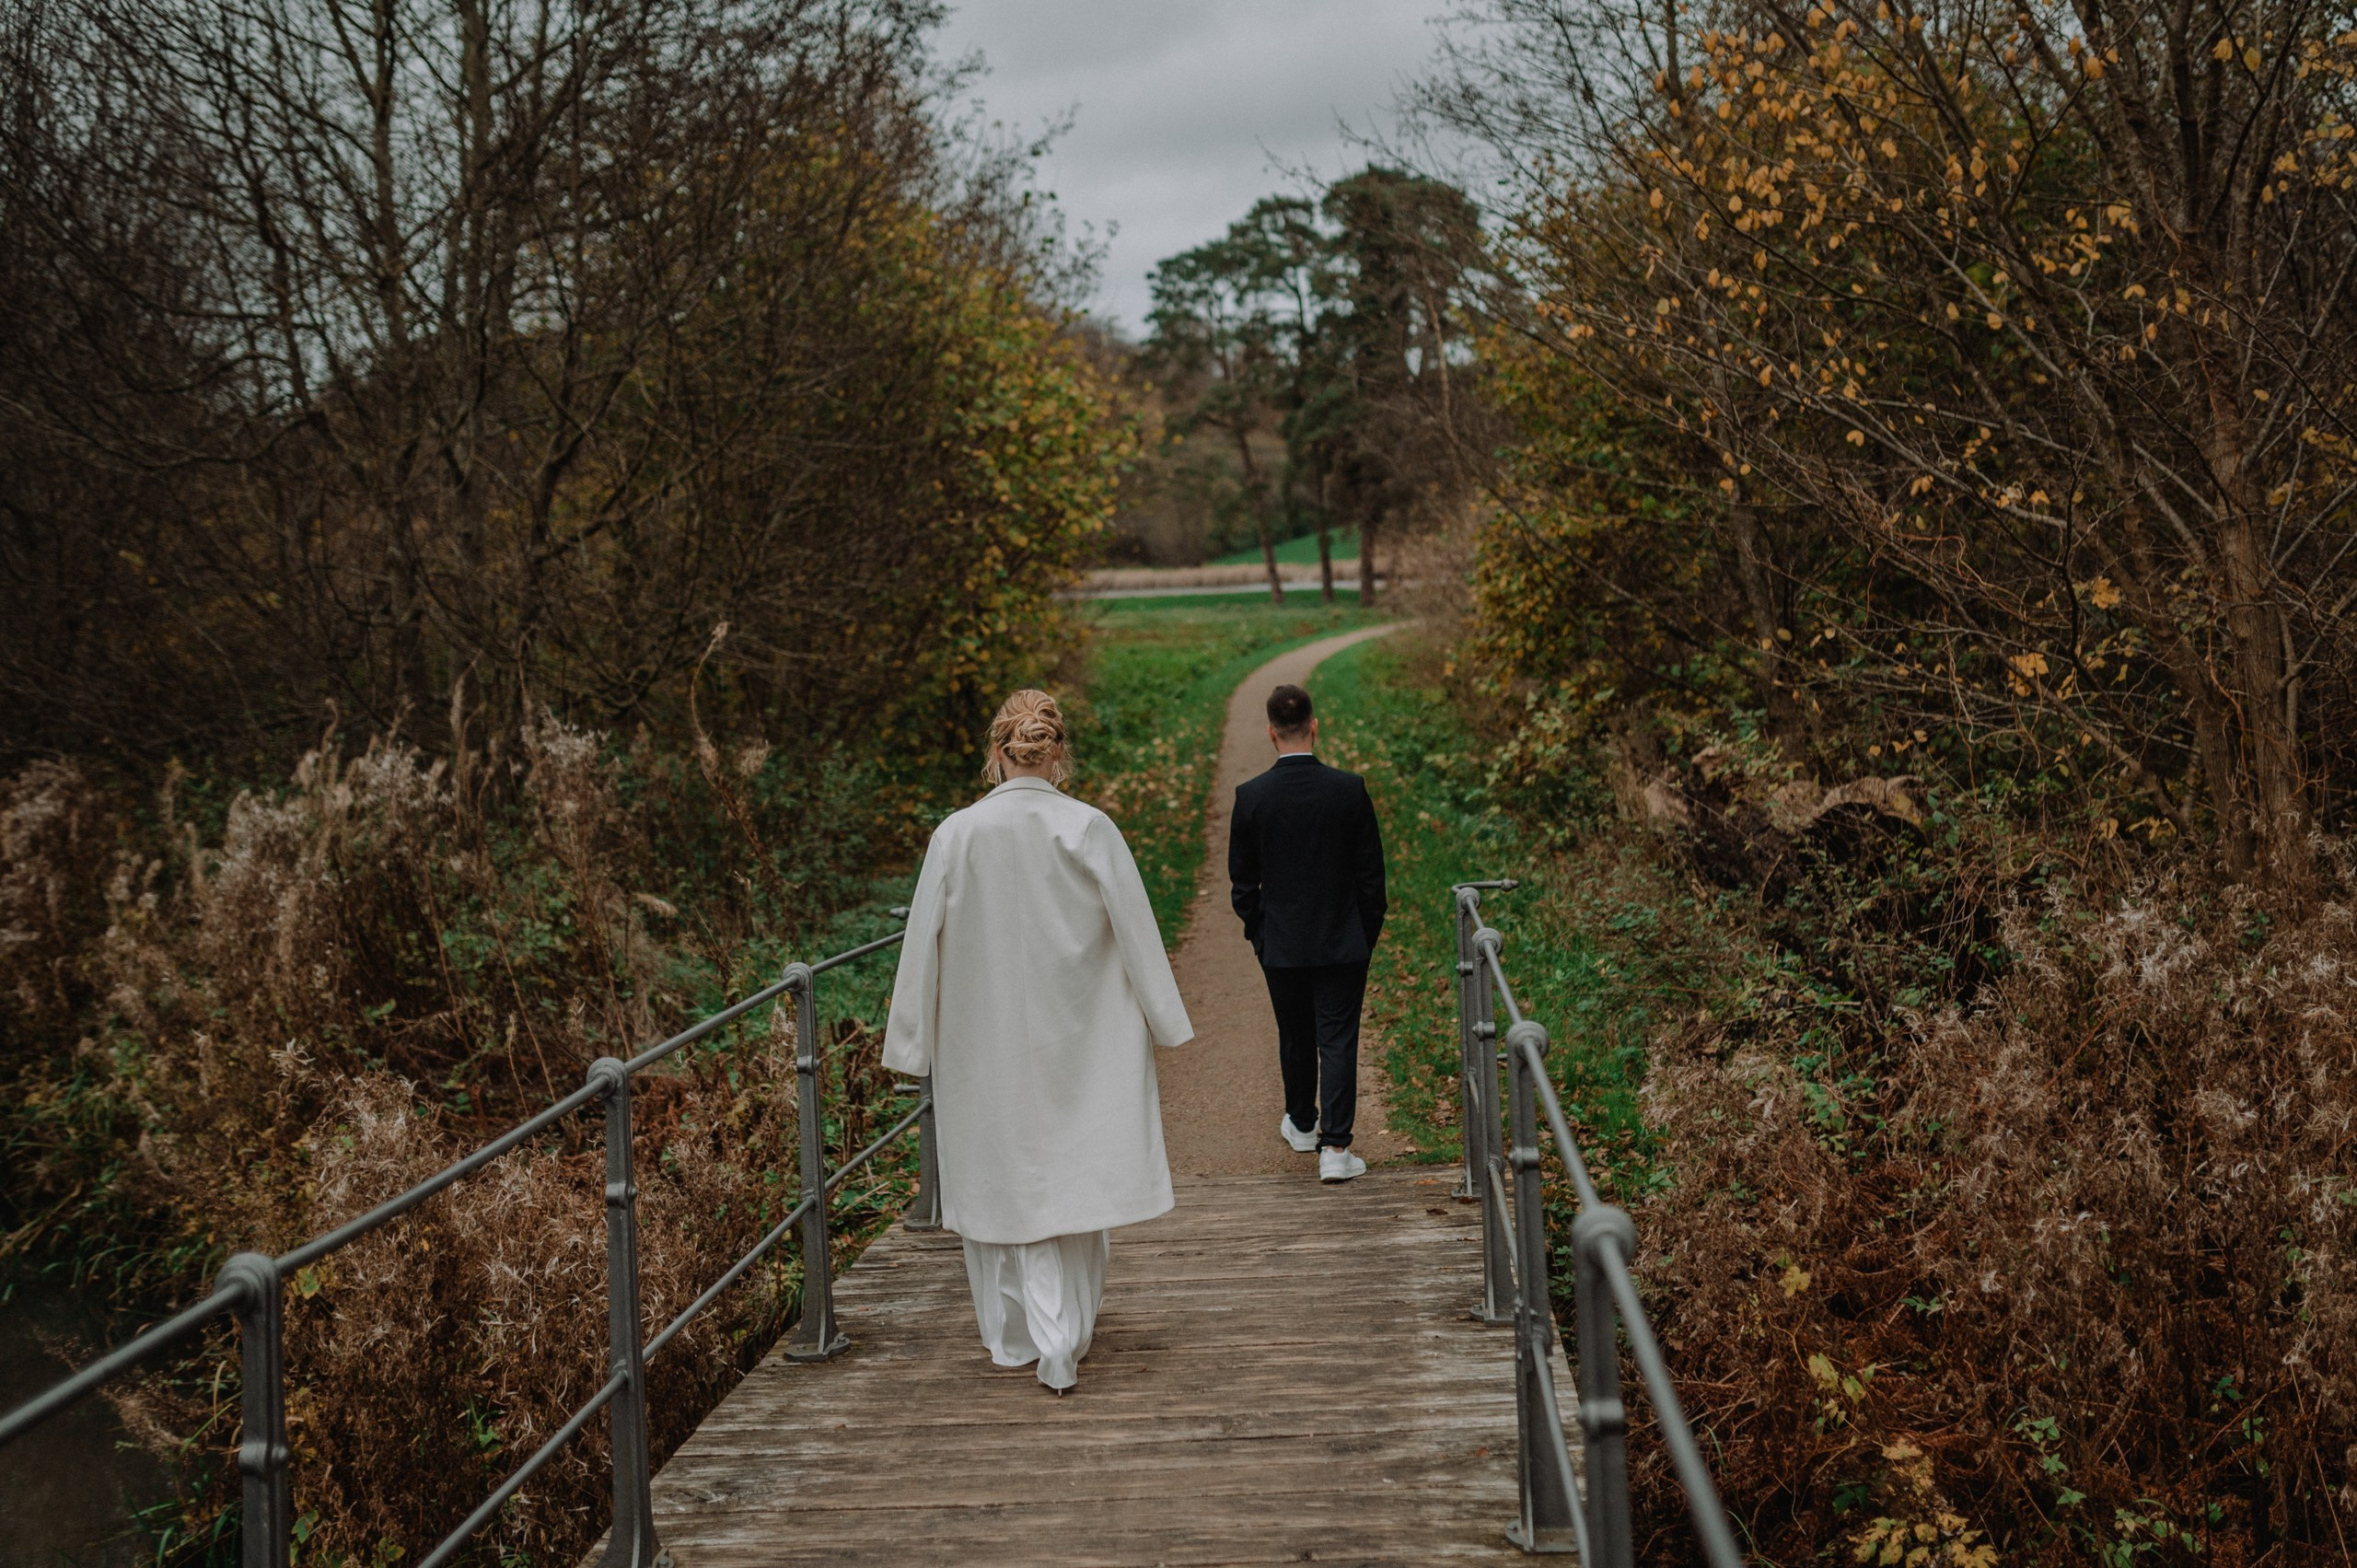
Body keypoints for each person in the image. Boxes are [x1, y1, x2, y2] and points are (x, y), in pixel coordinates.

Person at [881, 689, 1193, 1394]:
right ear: (1058, 755)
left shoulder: (955, 834)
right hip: (1079, 1032)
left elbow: (919, 945)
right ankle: (1066, 1330)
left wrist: (910, 1041)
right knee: (1072, 1184)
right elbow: (1139, 934)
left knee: (1000, 1187)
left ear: (996, 754)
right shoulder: (1089, 827)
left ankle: (1020, 1335)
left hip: (980, 1035)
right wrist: (1164, 1018)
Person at [1227, 682, 1387, 1184]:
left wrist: (1261, 934)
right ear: (1314, 727)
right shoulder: (1348, 790)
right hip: (1343, 942)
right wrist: (1364, 936)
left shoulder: (1251, 798)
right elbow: (1371, 880)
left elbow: (1242, 884)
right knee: (1337, 1039)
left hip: (1282, 944)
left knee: (1294, 1033)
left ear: (1272, 732)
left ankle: (1301, 1123)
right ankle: (1336, 1149)